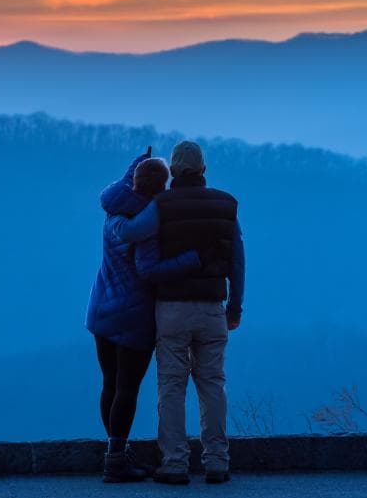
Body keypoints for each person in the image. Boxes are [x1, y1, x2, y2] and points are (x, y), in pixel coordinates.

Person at [110, 141, 246, 486]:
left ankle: (174, 463)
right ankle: (217, 461)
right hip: (212, 307)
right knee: (212, 384)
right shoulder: (227, 205)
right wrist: (234, 307)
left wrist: (118, 213)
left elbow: (131, 233)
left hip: (171, 308)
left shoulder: (162, 205)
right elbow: (237, 262)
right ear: (204, 169)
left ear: (173, 171)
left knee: (171, 385)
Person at [85, 148, 203, 483]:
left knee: (110, 384)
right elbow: (148, 270)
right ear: (161, 187)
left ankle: (116, 451)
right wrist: (190, 260)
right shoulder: (146, 226)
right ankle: (115, 462)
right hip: (134, 316)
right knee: (127, 389)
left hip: (101, 311)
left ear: (134, 182)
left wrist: (138, 162)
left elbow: (128, 183)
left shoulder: (114, 212)